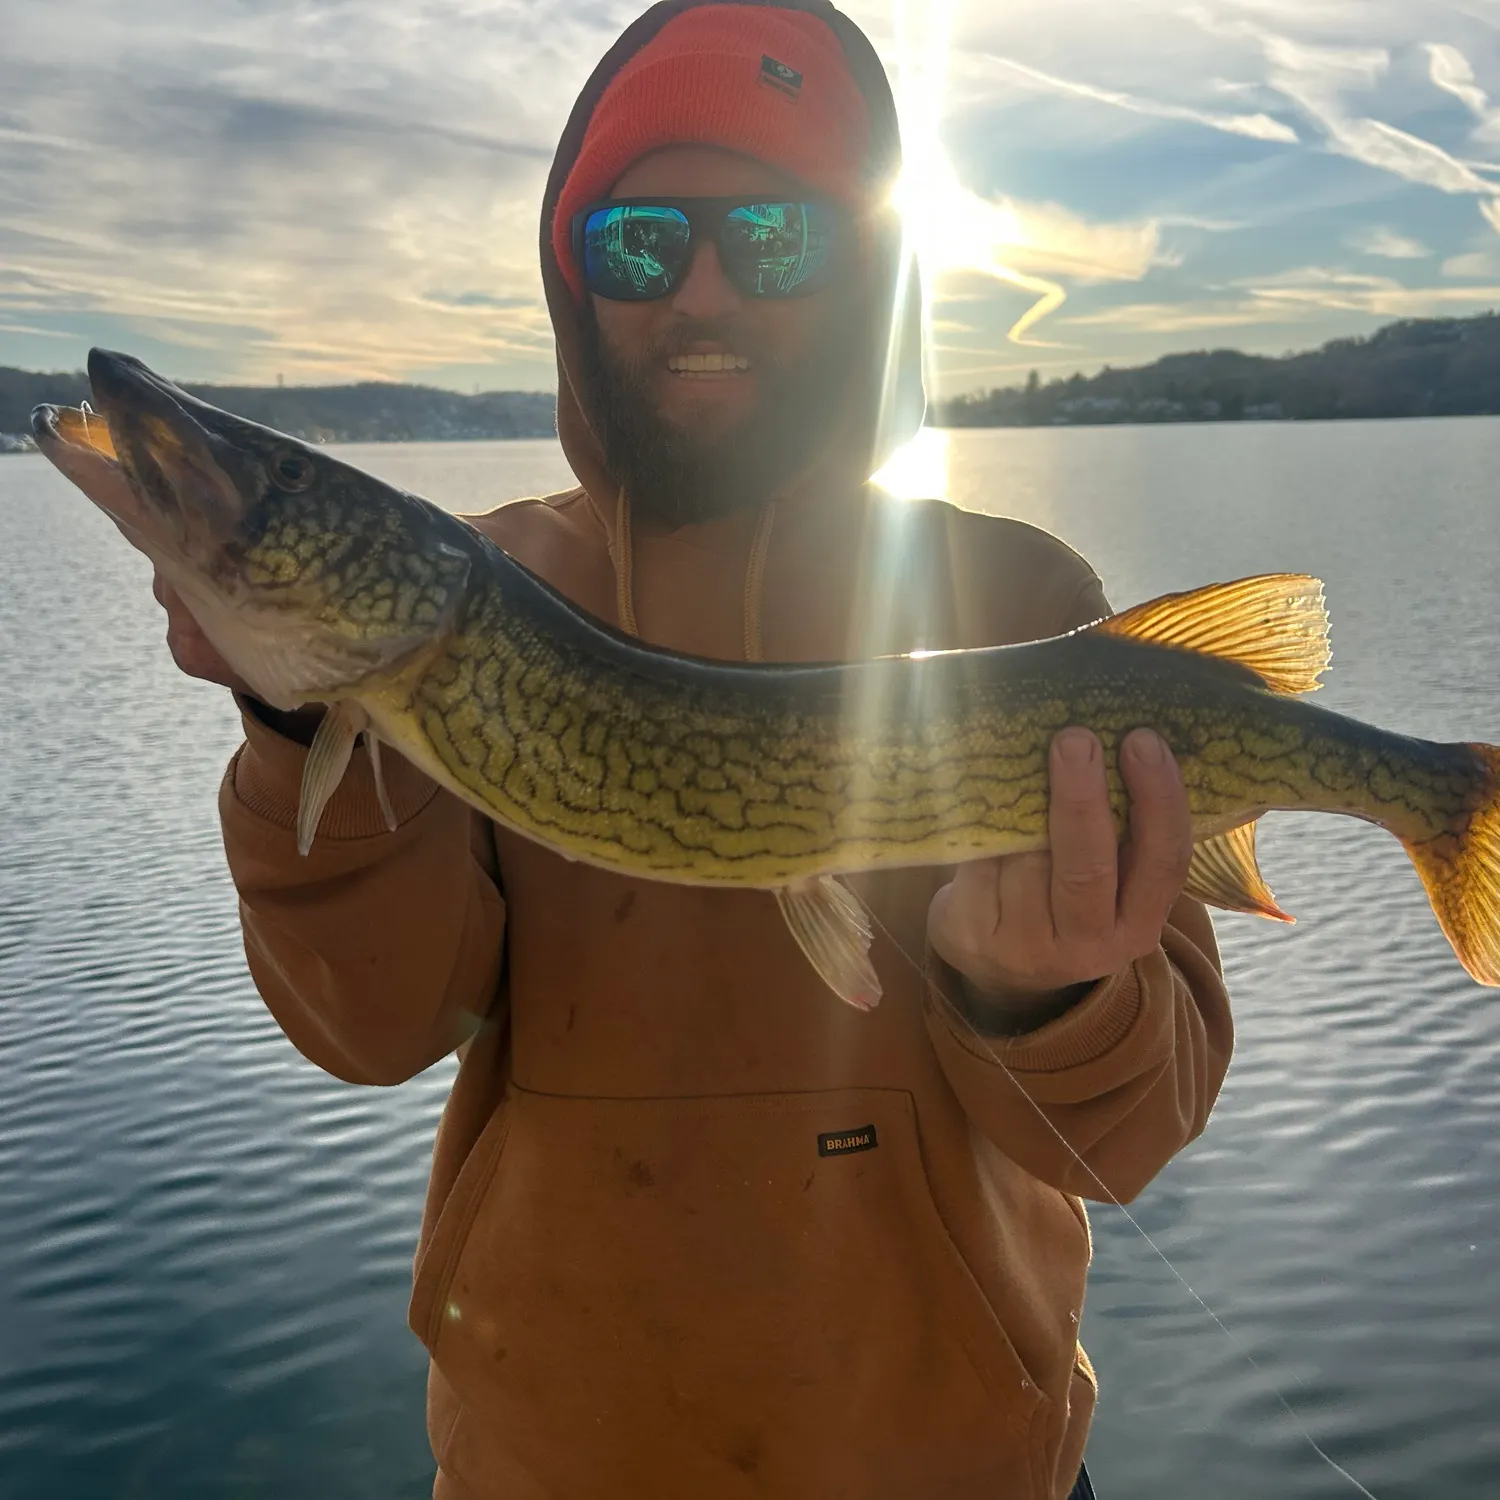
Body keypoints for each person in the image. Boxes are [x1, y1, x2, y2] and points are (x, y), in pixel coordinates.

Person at [138, 2, 1233, 1495]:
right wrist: (289, 721)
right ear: (577, 286)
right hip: (551, 1459)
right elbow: (370, 1030)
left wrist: (1044, 992)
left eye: (774, 240)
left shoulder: (1022, 604)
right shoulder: (479, 592)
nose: (701, 291)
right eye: (639, 245)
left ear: (860, 275)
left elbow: (1124, 1142)